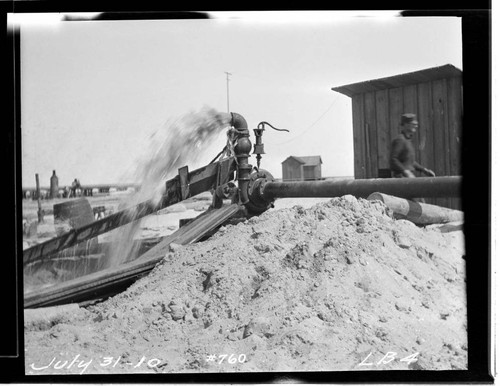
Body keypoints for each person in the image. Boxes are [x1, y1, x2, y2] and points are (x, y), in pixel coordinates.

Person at [390, 113, 435, 178]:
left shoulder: (407, 140)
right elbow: (393, 159)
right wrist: (405, 171)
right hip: (400, 178)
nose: (416, 126)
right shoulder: (400, 140)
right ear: (406, 125)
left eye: (416, 124)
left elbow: (410, 162)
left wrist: (424, 170)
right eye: (413, 124)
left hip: (406, 178)